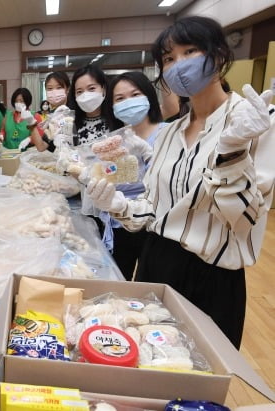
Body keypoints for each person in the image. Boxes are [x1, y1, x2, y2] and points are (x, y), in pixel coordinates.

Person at [85, 16, 275, 348]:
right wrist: (117, 205)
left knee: (197, 384)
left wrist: (231, 151)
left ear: (218, 55)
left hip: (211, 276)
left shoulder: (254, 122)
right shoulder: (171, 132)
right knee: (152, 367)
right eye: (169, 59)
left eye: (190, 52)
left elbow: (245, 218)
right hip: (156, 262)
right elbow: (154, 211)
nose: (179, 65)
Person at [103, 71, 166, 279]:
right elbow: (114, 177)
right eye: (120, 99)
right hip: (121, 221)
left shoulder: (168, 133)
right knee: (119, 280)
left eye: (135, 94)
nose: (128, 102)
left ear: (148, 96)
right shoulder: (117, 141)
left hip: (156, 224)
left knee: (151, 282)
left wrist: (149, 157)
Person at [29, 70, 72, 152]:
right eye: (50, 88)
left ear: (67, 89)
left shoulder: (75, 111)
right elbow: (41, 147)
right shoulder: (52, 116)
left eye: (59, 87)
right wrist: (32, 126)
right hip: (60, 161)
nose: (54, 92)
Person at [68, 64, 110, 145]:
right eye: (79, 91)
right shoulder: (72, 125)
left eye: (91, 88)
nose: (85, 96)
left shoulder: (117, 120)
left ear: (104, 89)